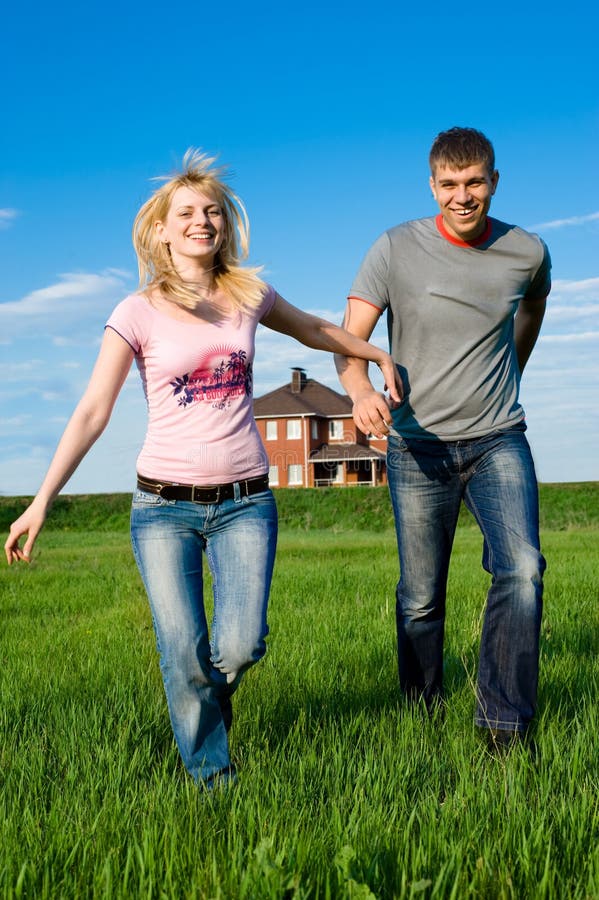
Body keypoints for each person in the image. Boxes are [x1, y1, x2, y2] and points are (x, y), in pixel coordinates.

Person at [4, 149, 401, 788]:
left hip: (245, 499)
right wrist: (41, 501)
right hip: (163, 507)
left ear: (226, 225)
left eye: (212, 210)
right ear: (161, 229)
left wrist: (373, 352)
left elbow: (315, 330)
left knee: (241, 645)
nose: (202, 220)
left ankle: (208, 708)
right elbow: (91, 412)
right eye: (186, 211)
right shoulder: (135, 311)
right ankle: (211, 779)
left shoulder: (248, 295)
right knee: (183, 651)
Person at [335, 127, 550, 750]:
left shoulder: (527, 252)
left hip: (498, 436)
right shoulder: (394, 249)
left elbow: (529, 312)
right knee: (421, 597)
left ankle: (505, 725)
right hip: (416, 448)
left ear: (494, 181)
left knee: (523, 571)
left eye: (475, 182)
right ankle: (420, 712)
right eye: (450, 185)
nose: (463, 196)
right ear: (433, 186)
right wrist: (360, 392)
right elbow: (349, 344)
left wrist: (512, 368)